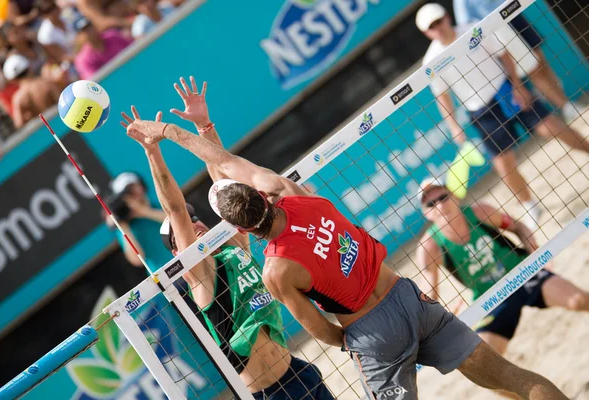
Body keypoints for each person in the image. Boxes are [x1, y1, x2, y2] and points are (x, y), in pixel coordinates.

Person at [124, 102, 568, 400]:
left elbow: (319, 329)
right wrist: (175, 132)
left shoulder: (276, 269)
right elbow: (224, 170)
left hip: (372, 335)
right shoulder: (294, 194)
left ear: (237, 228)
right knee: (514, 381)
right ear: (263, 195)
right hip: (408, 297)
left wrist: (353, 342)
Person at [120, 77, 334, 399]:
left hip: (300, 372)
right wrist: (153, 153)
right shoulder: (200, 276)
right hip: (270, 394)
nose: (195, 223)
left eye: (196, 219)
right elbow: (175, 209)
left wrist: (205, 125)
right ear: (179, 251)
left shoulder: (233, 247)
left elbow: (222, 177)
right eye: (188, 229)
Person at [417, 3, 589, 230]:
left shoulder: (472, 29)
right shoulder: (431, 60)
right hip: (480, 110)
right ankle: (528, 204)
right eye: (431, 26)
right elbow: (443, 96)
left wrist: (517, 85)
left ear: (447, 17)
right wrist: (453, 126)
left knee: (551, 127)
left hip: (504, 89)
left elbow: (504, 54)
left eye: (438, 21)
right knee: (503, 164)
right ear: (426, 33)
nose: (437, 27)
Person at [417, 178, 589, 355]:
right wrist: (436, 317)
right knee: (488, 359)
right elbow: (429, 291)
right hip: (490, 299)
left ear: (454, 196)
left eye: (443, 197)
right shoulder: (430, 246)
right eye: (431, 203)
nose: (439, 205)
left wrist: (535, 253)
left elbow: (519, 226)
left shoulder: (479, 212)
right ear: (426, 214)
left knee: (578, 300)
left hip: (522, 274)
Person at [453, 0, 585, 124]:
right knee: (534, 70)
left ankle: (563, 102)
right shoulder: (460, 2)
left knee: (541, 61)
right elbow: (467, 27)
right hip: (500, 31)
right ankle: (566, 106)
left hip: (515, 14)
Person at [105, 170, 169, 272]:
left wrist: (144, 212)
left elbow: (179, 220)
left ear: (142, 185)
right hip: (163, 276)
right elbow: (137, 260)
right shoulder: (126, 228)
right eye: (127, 192)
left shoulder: (159, 205)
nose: (133, 193)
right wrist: (123, 226)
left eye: (133, 187)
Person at [2, 53, 63, 128]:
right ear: (29, 68)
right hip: (63, 126)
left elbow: (19, 124)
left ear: (12, 80)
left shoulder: (18, 98)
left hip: (44, 134)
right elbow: (62, 102)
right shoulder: (47, 83)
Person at [73, 15, 133, 80]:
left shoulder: (113, 36)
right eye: (85, 30)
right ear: (79, 36)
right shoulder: (83, 60)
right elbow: (95, 82)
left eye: (90, 27)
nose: (90, 31)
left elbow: (134, 50)